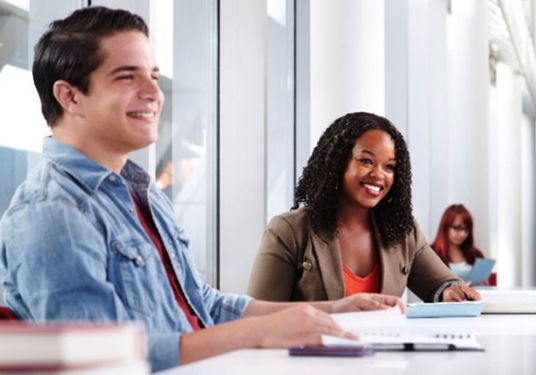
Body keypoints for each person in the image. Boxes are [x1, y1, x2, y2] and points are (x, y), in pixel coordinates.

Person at [0, 7, 403, 372]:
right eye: (128, 77)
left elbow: (202, 305)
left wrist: (333, 309)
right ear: (69, 96)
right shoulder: (52, 212)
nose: (154, 93)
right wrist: (260, 333)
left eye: (153, 76)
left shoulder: (143, 195)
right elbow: (101, 358)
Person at [248, 112, 481, 303]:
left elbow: (441, 284)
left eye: (389, 167)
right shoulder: (289, 230)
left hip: (383, 358)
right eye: (366, 161)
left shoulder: (402, 231)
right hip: (310, 357)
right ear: (338, 163)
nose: (378, 175)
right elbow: (258, 316)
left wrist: (450, 292)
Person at [431, 204, 487, 284]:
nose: (462, 234)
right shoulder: (432, 254)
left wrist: (484, 285)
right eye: (457, 228)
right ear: (445, 227)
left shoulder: (476, 255)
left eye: (466, 229)